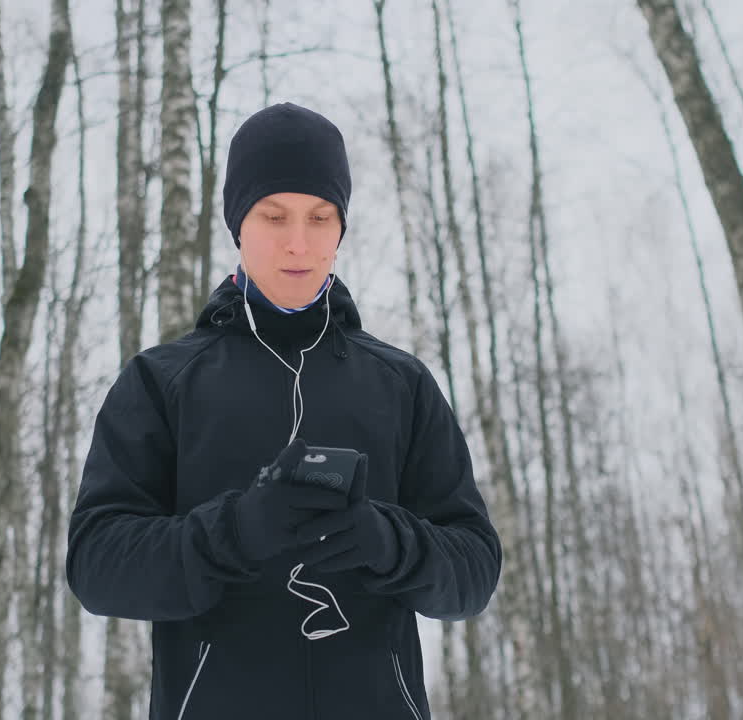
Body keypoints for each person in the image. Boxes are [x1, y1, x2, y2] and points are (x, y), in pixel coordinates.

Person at [66, 101, 502, 720]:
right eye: (274, 216)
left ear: (341, 228)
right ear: (237, 223)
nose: (299, 241)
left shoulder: (401, 384)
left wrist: (388, 541)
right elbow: (96, 564)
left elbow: (476, 569)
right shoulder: (162, 382)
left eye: (320, 217)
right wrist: (235, 531)